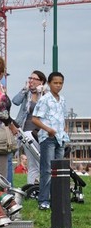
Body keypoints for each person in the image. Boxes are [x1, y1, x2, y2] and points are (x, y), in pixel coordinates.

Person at [32, 72, 68, 210]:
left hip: (60, 138)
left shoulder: (62, 99)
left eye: (60, 83)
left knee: (58, 171)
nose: (58, 86)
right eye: (55, 83)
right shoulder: (45, 99)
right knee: (47, 170)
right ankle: (43, 200)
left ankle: (57, 199)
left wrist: (63, 130)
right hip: (48, 138)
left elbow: (62, 117)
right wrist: (48, 130)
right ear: (49, 83)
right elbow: (35, 118)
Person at [12, 70, 47, 185]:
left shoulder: (46, 95)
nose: (31, 81)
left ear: (41, 81)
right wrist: (25, 89)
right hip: (26, 131)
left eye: (34, 79)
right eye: (30, 78)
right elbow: (15, 101)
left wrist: (42, 94)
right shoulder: (27, 93)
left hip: (40, 133)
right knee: (32, 162)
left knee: (42, 161)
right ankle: (31, 186)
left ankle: (42, 186)